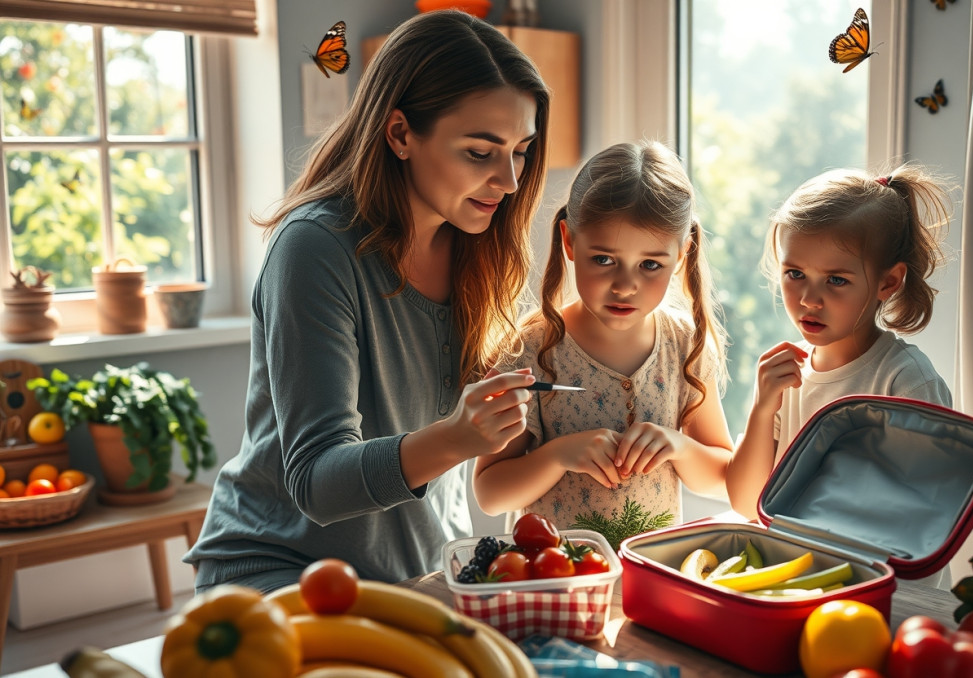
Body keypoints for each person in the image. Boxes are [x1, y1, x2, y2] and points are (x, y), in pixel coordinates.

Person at [183, 10, 551, 593]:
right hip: (279, 572)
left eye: (521, 151)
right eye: (480, 153)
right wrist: (456, 437)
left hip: (418, 576)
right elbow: (316, 481)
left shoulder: (478, 252)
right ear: (401, 133)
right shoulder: (314, 249)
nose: (508, 181)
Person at [472, 140, 734, 532]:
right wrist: (557, 455)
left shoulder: (685, 345)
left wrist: (678, 447)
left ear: (681, 256)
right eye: (604, 260)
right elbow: (490, 494)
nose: (625, 285)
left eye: (650, 264)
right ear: (569, 242)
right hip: (554, 581)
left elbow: (720, 476)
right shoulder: (528, 348)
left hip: (647, 580)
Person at [726, 164, 953, 523]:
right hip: (804, 571)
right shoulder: (785, 374)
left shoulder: (904, 380)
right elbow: (746, 502)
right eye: (795, 274)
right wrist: (762, 409)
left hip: (883, 578)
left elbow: (926, 514)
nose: (809, 300)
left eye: (835, 279)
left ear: (888, 282)